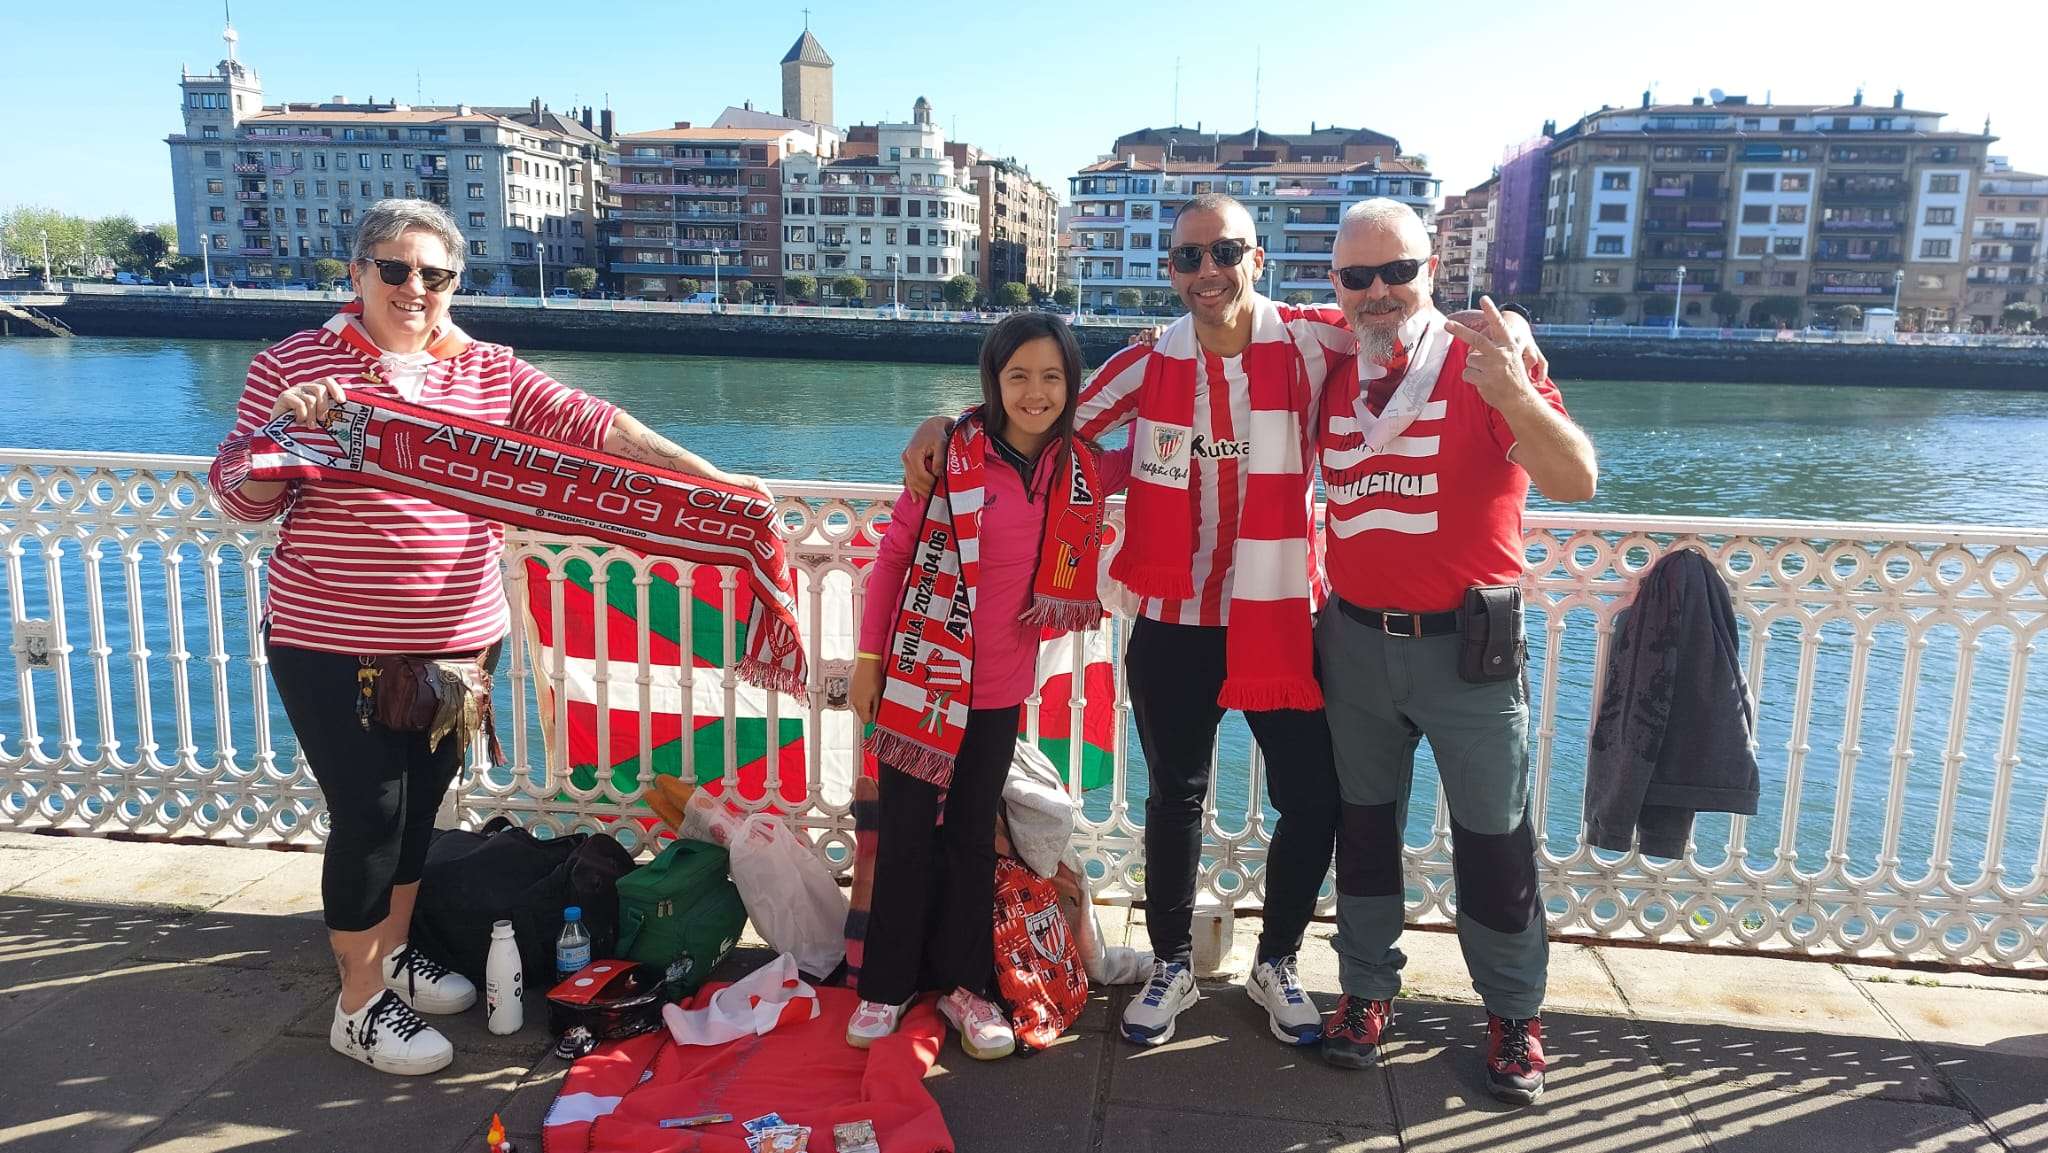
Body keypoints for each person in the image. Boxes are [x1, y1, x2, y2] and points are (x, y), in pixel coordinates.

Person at [902, 195, 1545, 1051]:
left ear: (1258, 258)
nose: (1208, 272)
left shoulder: (1318, 340)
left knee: (1312, 798)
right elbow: (1050, 422)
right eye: (1188, 257)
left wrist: (1518, 339)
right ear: (1172, 270)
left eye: (1225, 252)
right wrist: (952, 421)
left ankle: (1277, 958)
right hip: (1173, 619)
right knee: (1176, 797)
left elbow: (1404, 318)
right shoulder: (1143, 366)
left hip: (1285, 611)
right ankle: (1173, 961)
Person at [207, 199, 766, 1077]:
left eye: (435, 274)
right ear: (357, 274)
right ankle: (355, 1007)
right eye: (394, 269)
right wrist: (289, 428)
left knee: (419, 816)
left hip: (459, 648)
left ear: (455, 283)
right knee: (371, 817)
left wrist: (714, 481)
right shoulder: (296, 363)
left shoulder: (487, 372)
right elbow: (238, 493)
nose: (414, 288)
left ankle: (389, 958)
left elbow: (593, 423)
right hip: (332, 641)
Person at [1311, 198, 1596, 1104]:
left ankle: (1513, 1014)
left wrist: (1513, 383)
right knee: (1361, 833)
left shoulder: (1487, 361)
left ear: (1433, 268)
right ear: (1337, 288)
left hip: (1469, 651)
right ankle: (1365, 993)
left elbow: (1577, 478)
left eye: (1398, 271)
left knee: (1494, 841)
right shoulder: (1332, 362)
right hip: (1354, 643)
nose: (1380, 291)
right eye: (1359, 277)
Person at [846, 313, 1120, 1060]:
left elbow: (1162, 447)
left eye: (1052, 377)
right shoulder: (950, 459)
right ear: (992, 382)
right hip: (920, 675)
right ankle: (886, 985)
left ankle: (969, 987)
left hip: (999, 688)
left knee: (972, 839)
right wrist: (868, 662)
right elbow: (895, 556)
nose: (1035, 392)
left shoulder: (1079, 469)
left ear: (1072, 385)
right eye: (1018, 375)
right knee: (903, 833)